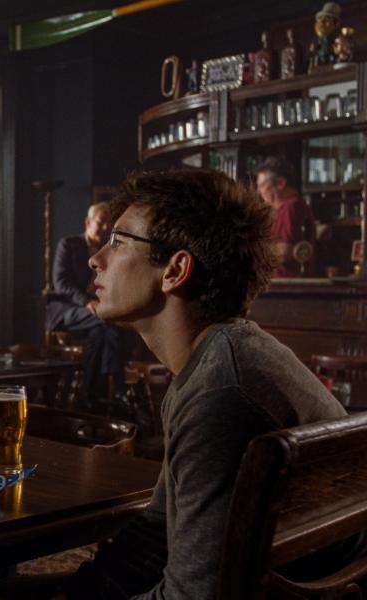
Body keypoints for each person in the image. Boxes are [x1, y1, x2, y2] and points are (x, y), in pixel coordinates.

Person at [56, 169, 350, 599]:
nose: (95, 258)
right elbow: (157, 531)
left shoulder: (221, 394)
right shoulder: (217, 361)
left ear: (175, 270)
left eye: (118, 242)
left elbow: (193, 596)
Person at [45, 202, 127, 404]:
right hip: (68, 309)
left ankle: (90, 393)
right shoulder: (69, 244)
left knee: (99, 334)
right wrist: (86, 302)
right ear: (88, 222)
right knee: (107, 321)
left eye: (109, 223)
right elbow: (61, 282)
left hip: (97, 314)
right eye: (101, 222)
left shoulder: (109, 250)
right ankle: (118, 384)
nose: (106, 227)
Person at [255, 156, 315, 277]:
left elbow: (284, 252)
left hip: (283, 285)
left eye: (261, 185)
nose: (259, 192)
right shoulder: (297, 205)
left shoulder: (289, 208)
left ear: (281, 183)